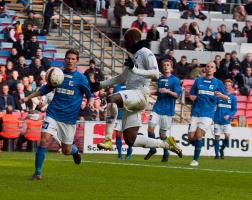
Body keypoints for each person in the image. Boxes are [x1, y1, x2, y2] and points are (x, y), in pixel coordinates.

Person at [90, 28, 182, 158]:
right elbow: (121, 78)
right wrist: (99, 85)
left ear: (132, 40)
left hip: (140, 94)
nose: (124, 44)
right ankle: (167, 144)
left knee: (112, 99)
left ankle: (107, 139)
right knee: (130, 140)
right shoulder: (134, 57)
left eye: (126, 41)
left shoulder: (145, 52)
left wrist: (136, 70)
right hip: (133, 98)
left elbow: (156, 74)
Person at [21, 49, 94, 180]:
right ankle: (37, 173)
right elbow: (43, 90)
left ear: (76, 61)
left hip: (69, 119)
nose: (70, 61)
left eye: (73, 59)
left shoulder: (81, 78)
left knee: (66, 151)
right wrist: (27, 98)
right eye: (68, 58)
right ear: (64, 59)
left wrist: (91, 102)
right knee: (44, 140)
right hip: (53, 113)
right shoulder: (57, 74)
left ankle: (74, 151)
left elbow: (90, 95)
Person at [188, 62, 228, 166]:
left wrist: (221, 95)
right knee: (190, 137)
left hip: (208, 113)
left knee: (198, 134)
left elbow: (226, 97)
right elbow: (191, 95)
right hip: (195, 112)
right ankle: (199, 143)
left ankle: (195, 160)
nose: (209, 68)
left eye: (212, 67)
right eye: (208, 67)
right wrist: (194, 97)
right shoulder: (198, 81)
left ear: (215, 70)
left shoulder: (218, 83)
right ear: (205, 69)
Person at [144, 59, 181, 162]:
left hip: (168, 111)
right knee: (150, 129)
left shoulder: (175, 80)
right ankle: (153, 148)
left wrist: (168, 91)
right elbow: (160, 92)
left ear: (171, 68)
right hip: (157, 108)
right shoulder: (160, 79)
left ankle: (166, 153)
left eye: (168, 65)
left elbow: (177, 95)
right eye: (164, 65)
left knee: (162, 135)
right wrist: (151, 92)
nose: (165, 66)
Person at [213, 79, 237, 159]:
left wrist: (229, 116)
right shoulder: (218, 96)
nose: (227, 87)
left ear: (231, 87)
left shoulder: (233, 98)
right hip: (217, 120)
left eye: (229, 85)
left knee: (227, 136)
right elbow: (213, 106)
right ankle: (216, 155)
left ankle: (221, 150)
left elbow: (234, 109)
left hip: (226, 121)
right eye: (226, 85)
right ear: (223, 86)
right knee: (217, 137)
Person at [114, 84, 133, 160]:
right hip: (119, 115)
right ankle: (119, 155)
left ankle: (129, 152)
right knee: (118, 135)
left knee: (129, 136)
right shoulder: (117, 87)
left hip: (129, 115)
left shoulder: (132, 86)